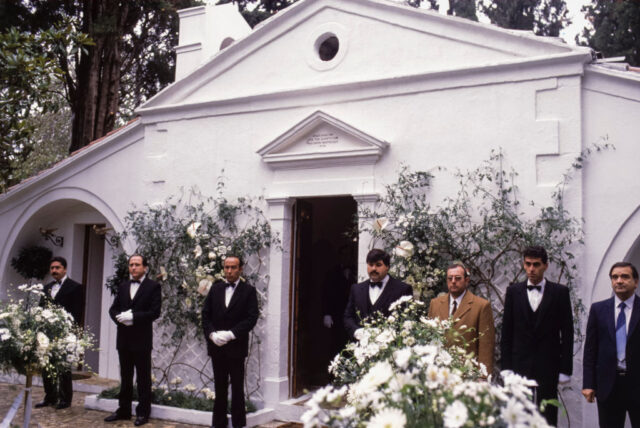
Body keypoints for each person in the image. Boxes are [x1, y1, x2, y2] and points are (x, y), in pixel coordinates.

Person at [500, 246, 573, 426]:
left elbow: (568, 333)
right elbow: (507, 332)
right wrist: (506, 367)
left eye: (536, 265)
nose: (531, 269)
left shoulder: (560, 293)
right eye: (528, 264)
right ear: (524, 265)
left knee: (547, 416)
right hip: (520, 365)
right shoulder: (513, 292)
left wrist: (565, 369)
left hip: (548, 365)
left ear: (546, 266)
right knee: (520, 416)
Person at [202, 255, 259, 428]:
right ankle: (218, 424)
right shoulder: (216, 289)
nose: (229, 271)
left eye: (233, 267)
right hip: (217, 347)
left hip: (236, 347)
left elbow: (251, 318)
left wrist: (231, 334)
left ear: (240, 269)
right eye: (226, 267)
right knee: (219, 388)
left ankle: (238, 424)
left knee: (237, 389)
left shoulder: (248, 291)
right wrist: (212, 335)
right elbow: (205, 315)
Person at [105, 254, 161, 426]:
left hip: (142, 339)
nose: (133, 268)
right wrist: (120, 318)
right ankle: (123, 410)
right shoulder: (123, 286)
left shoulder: (153, 286)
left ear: (145, 267)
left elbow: (155, 312)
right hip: (124, 339)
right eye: (131, 265)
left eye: (137, 264)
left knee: (143, 378)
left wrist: (134, 317)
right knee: (125, 376)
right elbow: (113, 309)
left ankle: (143, 413)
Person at [582, 262, 640, 427]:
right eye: (615, 277)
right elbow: (590, 350)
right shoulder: (598, 309)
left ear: (636, 282)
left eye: (625, 276)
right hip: (608, 385)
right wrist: (588, 383)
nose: (619, 281)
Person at [428, 263, 495, 376]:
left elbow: (486, 346)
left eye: (458, 278)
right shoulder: (435, 304)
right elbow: (428, 338)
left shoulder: (481, 306)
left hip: (467, 373)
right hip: (439, 372)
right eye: (450, 278)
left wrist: (483, 377)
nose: (453, 281)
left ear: (467, 280)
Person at [36, 256, 84, 409]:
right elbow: (41, 309)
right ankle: (49, 396)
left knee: (63, 366)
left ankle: (65, 399)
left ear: (64, 269)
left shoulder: (75, 287)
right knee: (46, 365)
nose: (54, 271)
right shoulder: (47, 287)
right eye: (52, 268)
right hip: (46, 334)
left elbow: (77, 312)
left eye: (57, 268)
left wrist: (70, 332)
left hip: (65, 333)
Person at [343, 248, 413, 340]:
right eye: (370, 265)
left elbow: (406, 321)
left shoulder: (403, 289)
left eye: (378, 265)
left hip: (390, 348)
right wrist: (356, 331)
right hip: (360, 348)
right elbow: (348, 317)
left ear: (387, 266)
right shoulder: (356, 289)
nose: (374, 269)